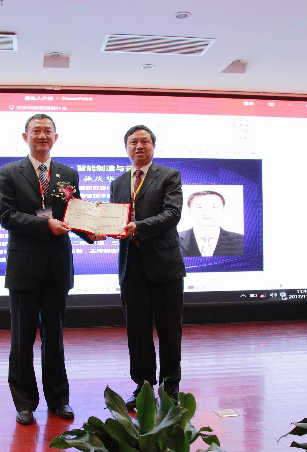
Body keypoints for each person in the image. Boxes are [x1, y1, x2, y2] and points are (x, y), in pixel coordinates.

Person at [0, 114, 95, 425]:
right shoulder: (9, 172)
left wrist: (92, 231)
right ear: (25, 137)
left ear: (56, 137)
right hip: (24, 267)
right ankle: (24, 402)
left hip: (57, 267)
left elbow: (74, 213)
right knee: (22, 340)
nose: (42, 135)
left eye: (47, 131)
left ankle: (59, 399)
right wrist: (45, 224)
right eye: (36, 131)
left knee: (55, 339)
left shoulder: (68, 173)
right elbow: (7, 216)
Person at [110, 125, 186, 410]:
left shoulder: (168, 175)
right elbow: (114, 219)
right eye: (133, 142)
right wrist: (100, 227)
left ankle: (170, 389)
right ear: (126, 148)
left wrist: (138, 227)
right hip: (131, 267)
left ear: (153, 146)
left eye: (144, 141)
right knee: (137, 332)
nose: (139, 146)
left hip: (165, 266)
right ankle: (142, 388)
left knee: (169, 331)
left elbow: (172, 214)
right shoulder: (118, 182)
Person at [178, 190, 244, 257]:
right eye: (199, 207)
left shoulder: (241, 240)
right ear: (189, 210)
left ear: (223, 210)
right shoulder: (175, 239)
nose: (207, 213)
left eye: (214, 207)